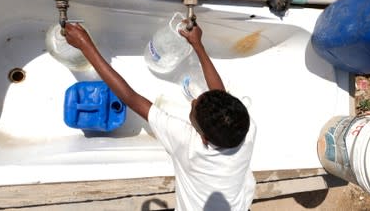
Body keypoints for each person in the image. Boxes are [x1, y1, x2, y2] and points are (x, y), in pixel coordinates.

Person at [65, 20, 256, 211]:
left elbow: (130, 98)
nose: (192, 101)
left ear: (204, 138)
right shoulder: (245, 129)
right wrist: (198, 45)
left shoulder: (189, 146)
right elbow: (219, 94)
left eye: (193, 110)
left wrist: (85, 46)